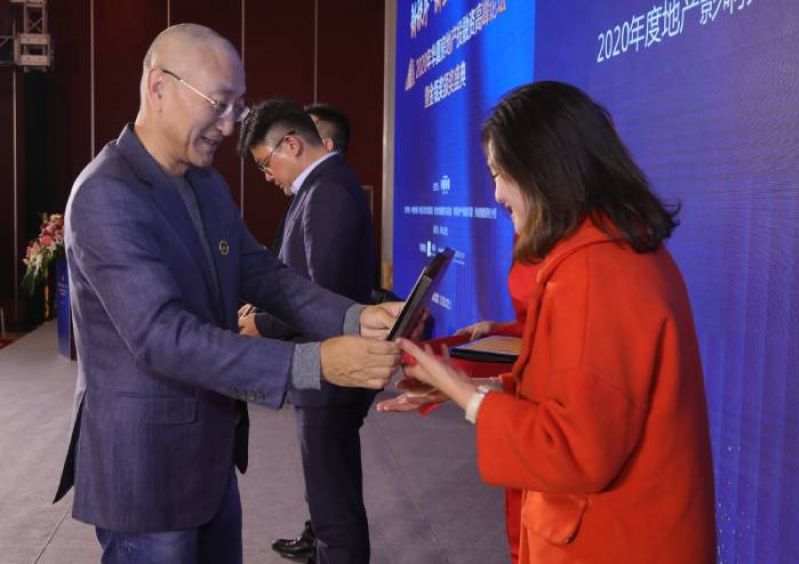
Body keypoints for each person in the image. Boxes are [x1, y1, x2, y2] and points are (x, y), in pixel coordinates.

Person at [53, 24, 402, 564]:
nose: (230, 125)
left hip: (209, 456)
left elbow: (263, 274)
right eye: (219, 104)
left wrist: (355, 317)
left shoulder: (205, 183)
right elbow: (162, 337)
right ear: (158, 86)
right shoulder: (105, 194)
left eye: (237, 106)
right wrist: (314, 363)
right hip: (146, 471)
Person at [386, 81, 717, 563]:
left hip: (611, 540)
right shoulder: (612, 251)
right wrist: (477, 389)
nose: (497, 194)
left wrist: (466, 395)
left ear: (542, 168)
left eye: (499, 174)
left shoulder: (594, 271)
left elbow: (574, 449)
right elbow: (584, 398)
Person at [238, 99, 377, 564]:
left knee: (334, 508)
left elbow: (324, 295)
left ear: (292, 145)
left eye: (265, 164)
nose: (267, 176)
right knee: (329, 496)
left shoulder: (327, 191)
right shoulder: (322, 187)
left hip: (329, 370)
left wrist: (262, 322)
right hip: (324, 368)